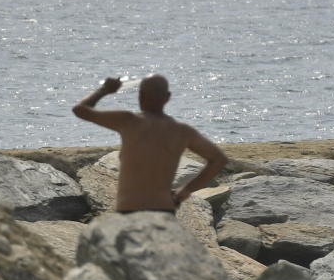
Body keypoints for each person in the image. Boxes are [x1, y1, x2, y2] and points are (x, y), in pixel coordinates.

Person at [72, 74, 227, 213]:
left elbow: (80, 110)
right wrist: (185, 191)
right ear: (167, 97)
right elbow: (219, 160)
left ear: (140, 96)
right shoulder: (182, 131)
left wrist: (104, 90)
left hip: (130, 209)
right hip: (163, 209)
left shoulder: (128, 121)